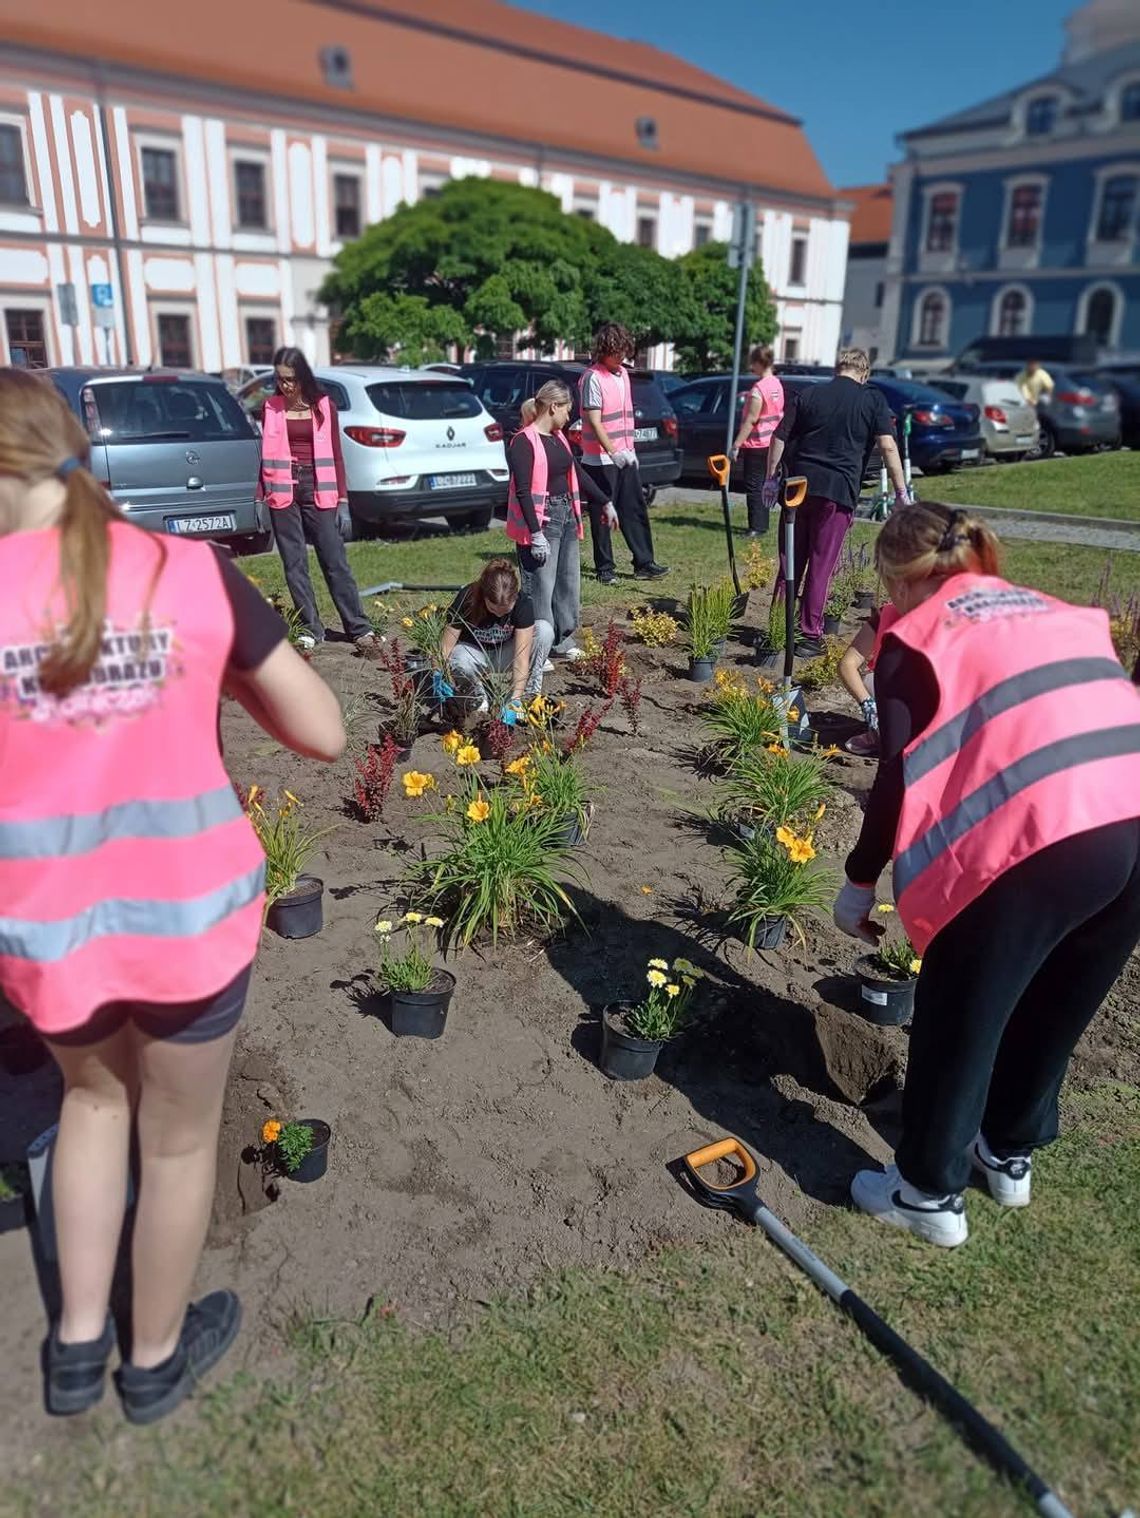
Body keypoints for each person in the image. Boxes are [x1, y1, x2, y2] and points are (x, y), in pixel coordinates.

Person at [0, 369, 346, 1420]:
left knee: (91, 1108)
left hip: (47, 935)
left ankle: (73, 1350)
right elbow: (324, 731)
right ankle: (149, 1364)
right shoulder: (191, 573)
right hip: (191, 927)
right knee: (180, 1141)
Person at [833, 501, 1140, 1248]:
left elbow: (899, 774)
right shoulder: (1039, 605)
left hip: (1042, 834)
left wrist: (859, 878)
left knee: (962, 1006)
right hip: (1127, 812)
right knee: (1057, 1000)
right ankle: (1007, 1153)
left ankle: (927, 1192)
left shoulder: (918, 636)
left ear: (899, 578)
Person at [763, 348, 910, 657]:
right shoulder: (872, 400)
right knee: (821, 563)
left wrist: (770, 478)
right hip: (837, 490)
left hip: (796, 488)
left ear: (836, 369)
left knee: (790, 559)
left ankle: (777, 629)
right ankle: (809, 634)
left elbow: (779, 437)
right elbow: (887, 445)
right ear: (865, 373)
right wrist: (900, 493)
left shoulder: (809, 393)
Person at [260, 346, 381, 658]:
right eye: (280, 379)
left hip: (319, 488)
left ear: (302, 377)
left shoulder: (324, 406)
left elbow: (337, 455)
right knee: (294, 563)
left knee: (334, 559)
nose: (284, 385)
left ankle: (359, 627)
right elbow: (266, 454)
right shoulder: (271, 408)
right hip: (283, 490)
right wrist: (260, 495)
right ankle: (311, 629)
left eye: (290, 379)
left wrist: (343, 499)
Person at [506, 380, 617, 662]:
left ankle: (562, 640)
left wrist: (604, 501)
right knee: (540, 587)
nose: (570, 417)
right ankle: (536, 651)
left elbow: (577, 473)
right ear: (553, 406)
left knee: (568, 582)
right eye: (568, 410)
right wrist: (536, 534)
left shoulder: (559, 438)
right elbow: (522, 491)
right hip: (542, 522)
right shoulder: (523, 441)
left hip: (566, 514)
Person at [577, 322, 669, 583]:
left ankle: (644, 563)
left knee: (634, 508)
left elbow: (625, 418)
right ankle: (605, 569)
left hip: (625, 456)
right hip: (601, 458)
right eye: (616, 353)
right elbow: (595, 421)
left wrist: (629, 451)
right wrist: (613, 451)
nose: (620, 358)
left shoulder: (623, 375)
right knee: (603, 515)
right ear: (604, 350)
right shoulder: (593, 378)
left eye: (623, 353)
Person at [441, 559, 553, 716]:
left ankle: (526, 698)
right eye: (493, 609)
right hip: (474, 655)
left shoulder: (523, 604)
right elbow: (446, 647)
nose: (499, 614)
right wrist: (438, 674)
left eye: (506, 610)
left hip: (505, 654)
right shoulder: (468, 597)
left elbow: (521, 659)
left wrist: (515, 698)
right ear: (484, 596)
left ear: (515, 598)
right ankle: (476, 696)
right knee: (457, 657)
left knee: (544, 631)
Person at [730, 343, 784, 536]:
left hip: (756, 444)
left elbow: (752, 419)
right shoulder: (777, 384)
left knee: (754, 486)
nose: (751, 368)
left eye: (753, 363)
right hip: (772, 442)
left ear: (760, 363)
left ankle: (756, 527)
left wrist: (736, 445)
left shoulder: (758, 389)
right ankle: (763, 524)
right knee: (766, 483)